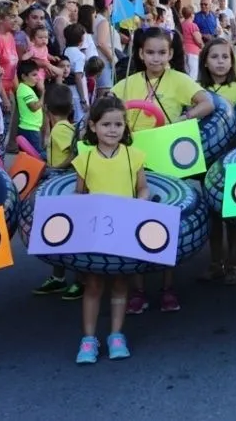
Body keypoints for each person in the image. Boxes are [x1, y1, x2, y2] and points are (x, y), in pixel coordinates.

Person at [112, 27, 214, 312]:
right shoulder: (127, 83)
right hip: (132, 157)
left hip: (167, 156)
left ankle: (168, 286)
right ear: (141, 54)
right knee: (133, 217)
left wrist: (185, 117)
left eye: (161, 53)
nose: (156, 58)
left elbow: (206, 103)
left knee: (166, 218)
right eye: (150, 53)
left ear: (170, 54)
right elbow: (107, 108)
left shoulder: (180, 80)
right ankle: (138, 290)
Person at [69, 96, 147, 363]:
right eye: (106, 124)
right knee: (92, 283)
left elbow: (142, 187)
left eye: (118, 124)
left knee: (120, 282)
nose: (112, 130)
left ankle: (116, 335)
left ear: (125, 128)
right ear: (93, 126)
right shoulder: (85, 159)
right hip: (95, 232)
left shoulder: (134, 156)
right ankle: (88, 339)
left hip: (124, 227)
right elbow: (79, 194)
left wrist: (142, 201)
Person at [196, 38, 236, 285]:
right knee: (213, 214)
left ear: (232, 61)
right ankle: (216, 262)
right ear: (205, 61)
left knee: (233, 214)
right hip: (208, 163)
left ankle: (234, 265)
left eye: (225, 57)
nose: (220, 62)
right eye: (214, 57)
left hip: (234, 159)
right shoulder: (195, 90)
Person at [16, 60, 46, 159]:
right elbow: (34, 107)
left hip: (30, 128)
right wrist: (43, 92)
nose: (37, 78)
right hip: (29, 129)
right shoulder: (25, 89)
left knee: (28, 157)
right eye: (34, 75)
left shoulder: (25, 88)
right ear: (24, 76)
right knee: (35, 157)